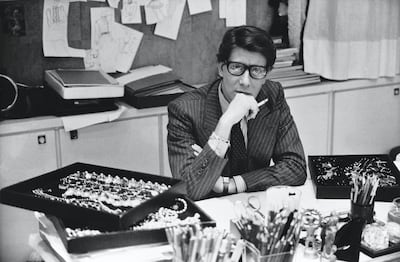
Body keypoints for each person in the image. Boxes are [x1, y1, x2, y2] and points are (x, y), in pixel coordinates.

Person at [167, 25, 306, 200]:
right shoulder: (184, 110)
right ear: (221, 68)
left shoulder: (272, 95)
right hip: (208, 212)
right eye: (236, 67)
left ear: (266, 74)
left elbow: (296, 167)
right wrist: (225, 124)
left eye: (256, 70)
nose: (245, 81)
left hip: (255, 206)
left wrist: (231, 184)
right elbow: (189, 188)